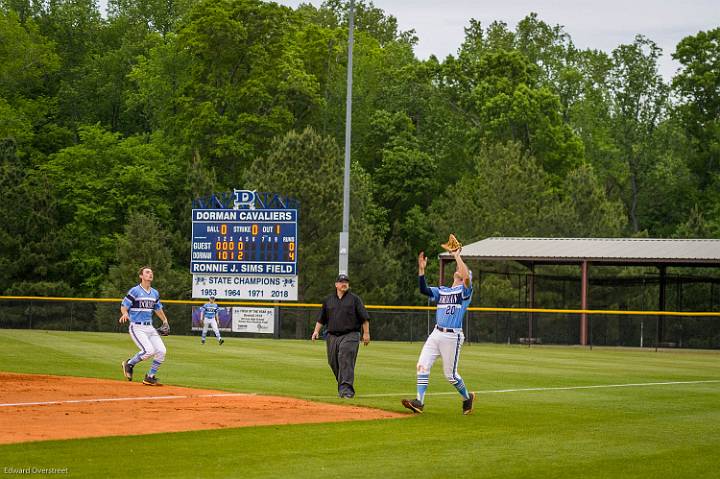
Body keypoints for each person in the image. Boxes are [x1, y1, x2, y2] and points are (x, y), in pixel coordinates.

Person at [402, 249, 475, 414]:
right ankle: (419, 401)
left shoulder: (465, 292)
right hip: (436, 333)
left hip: (452, 336)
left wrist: (457, 255)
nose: (459, 270)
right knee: (422, 365)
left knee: (450, 375)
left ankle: (467, 397)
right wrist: (421, 271)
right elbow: (424, 290)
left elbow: (466, 277)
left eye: (463, 271)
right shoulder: (442, 290)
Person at [311, 274, 370, 398]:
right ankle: (343, 386)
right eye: (342, 282)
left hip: (351, 335)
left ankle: (347, 391)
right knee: (333, 362)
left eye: (346, 282)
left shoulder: (354, 299)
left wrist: (366, 333)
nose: (344, 284)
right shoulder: (328, 300)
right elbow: (321, 318)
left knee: (345, 358)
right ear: (336, 285)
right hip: (332, 336)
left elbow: (364, 318)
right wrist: (316, 331)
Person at [119, 266, 170, 386]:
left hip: (150, 327)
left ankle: (150, 377)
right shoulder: (135, 291)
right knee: (149, 351)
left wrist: (165, 321)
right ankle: (129, 364)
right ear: (141, 276)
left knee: (162, 351)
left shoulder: (154, 293)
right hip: (136, 327)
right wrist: (125, 313)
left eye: (151, 272)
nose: (150, 274)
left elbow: (158, 308)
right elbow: (124, 306)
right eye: (147, 272)